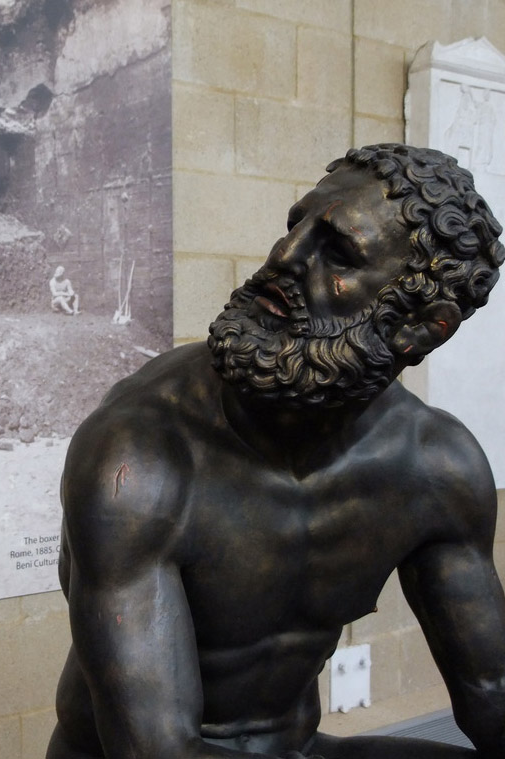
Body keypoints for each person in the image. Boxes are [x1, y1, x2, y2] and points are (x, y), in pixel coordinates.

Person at [46, 144, 505, 759]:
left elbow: (490, 690)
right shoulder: (141, 454)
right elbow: (157, 750)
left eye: (337, 252)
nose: (285, 257)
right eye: (297, 227)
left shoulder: (434, 468)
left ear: (423, 325)